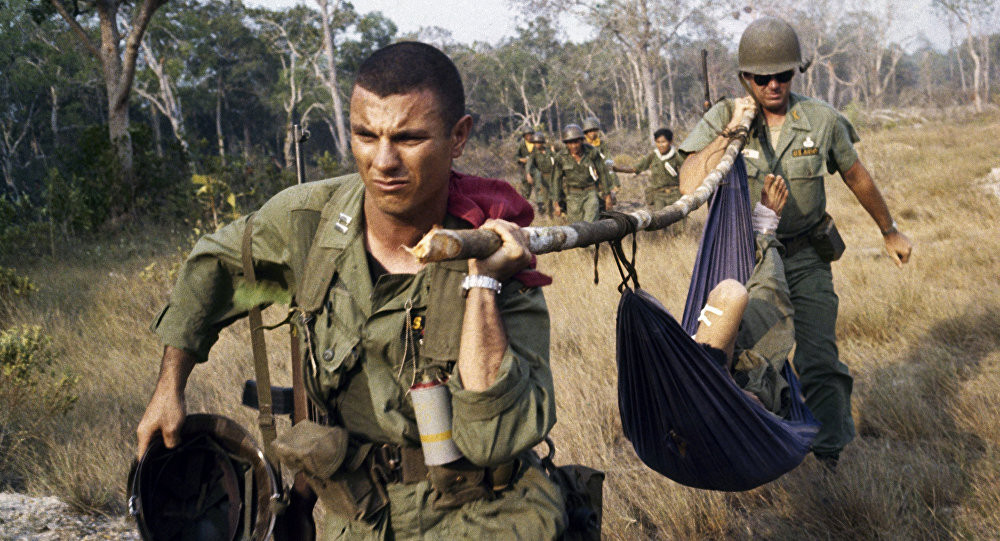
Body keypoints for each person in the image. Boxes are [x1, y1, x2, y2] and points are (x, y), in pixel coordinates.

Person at [136, 41, 566, 538]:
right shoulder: (307, 223)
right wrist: (169, 388)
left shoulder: (496, 246)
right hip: (359, 515)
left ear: (459, 136)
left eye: (408, 138)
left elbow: (492, 439)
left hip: (484, 512)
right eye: (365, 135)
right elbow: (213, 265)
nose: (383, 161)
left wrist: (483, 281)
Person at [678, 17, 913, 469]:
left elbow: (856, 176)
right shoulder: (725, 118)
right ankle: (756, 449)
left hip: (805, 256)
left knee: (820, 360)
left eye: (782, 75)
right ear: (745, 77)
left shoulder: (820, 120)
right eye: (761, 77)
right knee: (749, 361)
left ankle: (829, 457)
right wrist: (733, 127)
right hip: (745, 259)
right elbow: (690, 185)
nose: (773, 85)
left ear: (795, 73)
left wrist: (889, 230)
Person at [552, 123, 613, 222]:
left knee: (590, 224)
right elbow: (556, 180)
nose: (574, 146)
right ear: (566, 143)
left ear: (581, 140)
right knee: (576, 227)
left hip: (590, 193)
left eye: (576, 142)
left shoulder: (591, 152)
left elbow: (603, 173)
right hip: (572, 196)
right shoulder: (560, 157)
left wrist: (608, 196)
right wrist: (556, 203)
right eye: (570, 143)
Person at [614, 128, 685, 211]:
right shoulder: (652, 156)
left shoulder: (676, 156)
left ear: (670, 142)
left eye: (663, 142)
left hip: (675, 194)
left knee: (678, 219)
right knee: (660, 219)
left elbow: (687, 170)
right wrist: (617, 169)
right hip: (659, 195)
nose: (661, 145)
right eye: (658, 142)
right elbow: (635, 169)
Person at [582, 116, 621, 205]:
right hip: (585, 175)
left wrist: (614, 179)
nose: (592, 133)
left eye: (594, 130)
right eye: (590, 131)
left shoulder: (602, 144)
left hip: (600, 173)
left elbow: (608, 160)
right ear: (586, 132)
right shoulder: (581, 145)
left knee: (608, 198)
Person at [525, 131, 557, 218]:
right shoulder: (534, 153)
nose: (537, 144)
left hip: (553, 176)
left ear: (542, 143)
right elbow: (529, 163)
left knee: (556, 195)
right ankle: (550, 216)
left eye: (539, 142)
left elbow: (557, 159)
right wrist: (528, 174)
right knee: (546, 198)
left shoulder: (549, 150)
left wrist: (553, 152)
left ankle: (560, 213)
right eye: (535, 143)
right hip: (543, 177)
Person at [514, 126, 537, 200]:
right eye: (527, 135)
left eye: (530, 135)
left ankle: (541, 207)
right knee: (526, 191)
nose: (529, 137)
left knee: (539, 189)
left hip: (536, 168)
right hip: (524, 169)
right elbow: (515, 156)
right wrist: (520, 159)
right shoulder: (521, 144)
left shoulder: (536, 143)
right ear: (524, 136)